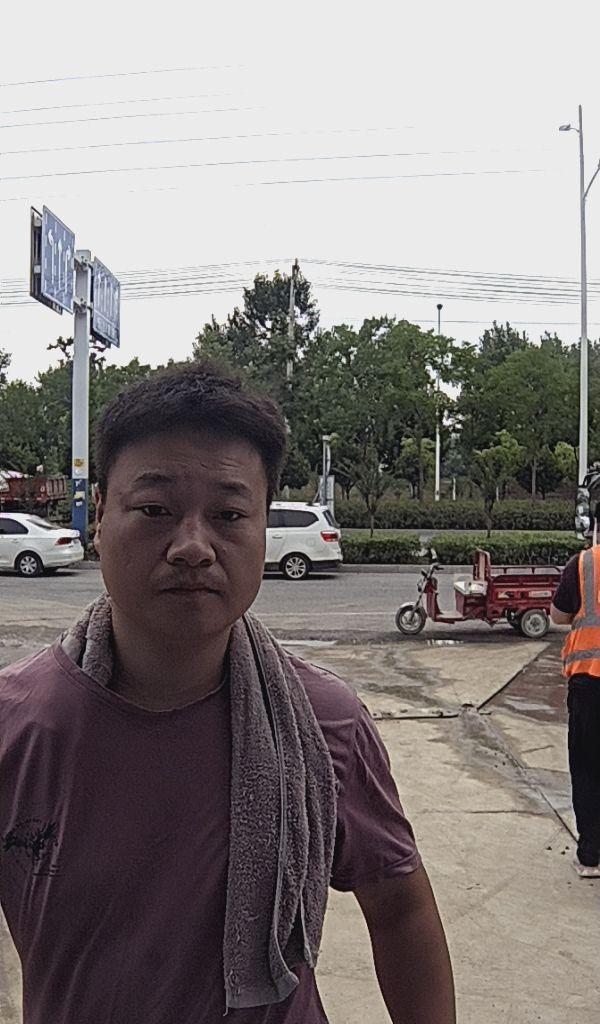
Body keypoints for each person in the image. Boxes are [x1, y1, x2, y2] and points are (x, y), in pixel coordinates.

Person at [0, 362, 455, 1024]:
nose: (192, 546)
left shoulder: (325, 724)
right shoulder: (17, 726)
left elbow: (401, 909)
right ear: (100, 517)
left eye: (229, 514)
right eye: (155, 510)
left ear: (263, 527)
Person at [551, 512, 600, 879]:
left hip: (589, 683)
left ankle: (590, 856)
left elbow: (558, 616)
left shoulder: (583, 564)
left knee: (586, 766)